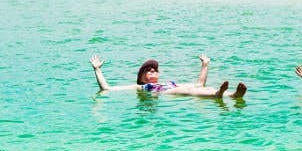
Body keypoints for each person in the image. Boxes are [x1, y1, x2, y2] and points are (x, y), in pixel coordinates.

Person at [91, 54, 246, 99]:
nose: (152, 71)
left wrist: (205, 65)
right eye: (148, 70)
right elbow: (107, 88)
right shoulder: (139, 87)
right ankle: (219, 94)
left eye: (154, 70)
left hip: (173, 87)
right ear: (141, 76)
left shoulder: (168, 82)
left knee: (195, 87)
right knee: (190, 91)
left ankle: (231, 95)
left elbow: (199, 83)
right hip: (164, 92)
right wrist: (97, 69)